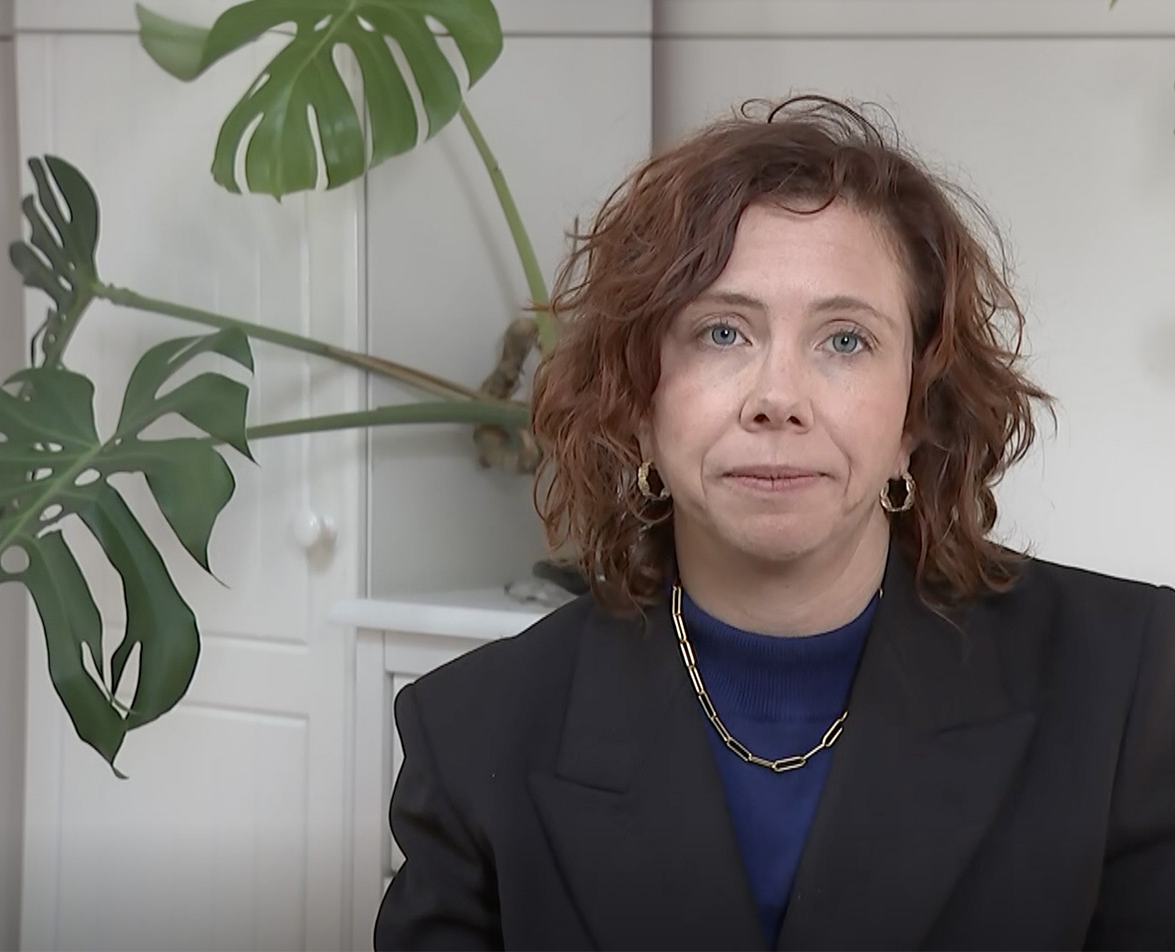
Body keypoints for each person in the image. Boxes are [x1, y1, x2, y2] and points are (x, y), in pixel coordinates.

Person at [371, 95, 1175, 951]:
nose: (778, 399)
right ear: (639, 403)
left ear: (914, 414)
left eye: (845, 341)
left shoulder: (1133, 682)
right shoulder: (472, 734)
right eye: (722, 332)